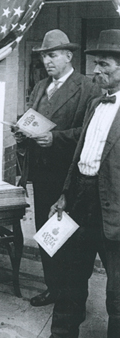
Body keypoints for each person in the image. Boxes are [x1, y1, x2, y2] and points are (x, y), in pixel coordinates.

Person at [15, 29, 99, 308]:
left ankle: (72, 299)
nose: (47, 61)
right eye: (44, 56)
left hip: (69, 178)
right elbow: (31, 120)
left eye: (52, 55)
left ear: (68, 55)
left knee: (71, 240)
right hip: (40, 175)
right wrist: (22, 133)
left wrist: (56, 138)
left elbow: (91, 133)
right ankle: (53, 288)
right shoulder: (40, 87)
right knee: (46, 235)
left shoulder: (87, 87)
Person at [48, 29, 120, 338]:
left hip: (113, 209)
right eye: (96, 64)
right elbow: (80, 154)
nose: (97, 71)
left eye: (105, 65)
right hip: (79, 200)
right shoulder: (95, 105)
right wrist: (65, 194)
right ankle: (62, 333)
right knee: (70, 278)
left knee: (117, 291)